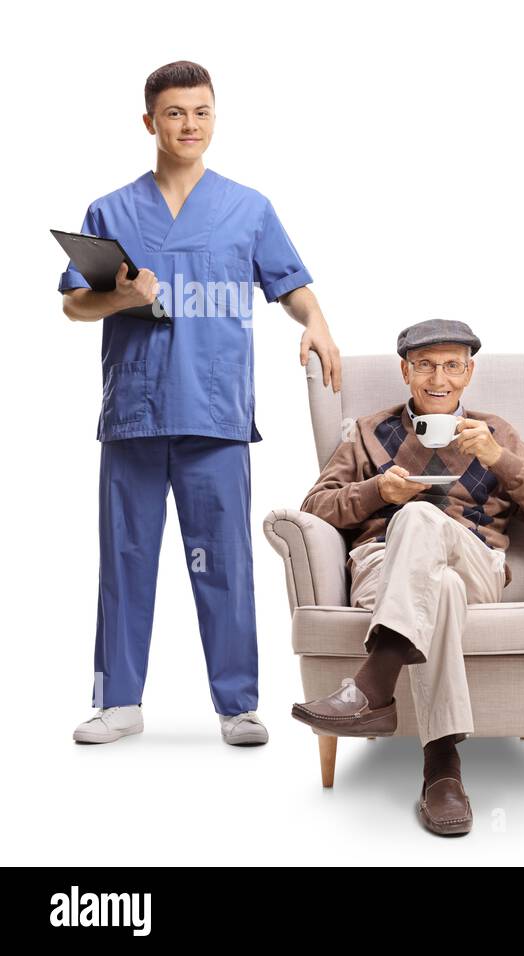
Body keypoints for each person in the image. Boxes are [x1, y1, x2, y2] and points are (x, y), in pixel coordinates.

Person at [59, 61, 342, 747]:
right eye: (177, 113)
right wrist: (122, 297)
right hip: (135, 410)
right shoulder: (111, 210)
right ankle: (118, 701)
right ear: (149, 120)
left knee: (223, 557)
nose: (190, 125)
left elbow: (290, 284)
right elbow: (74, 304)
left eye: (202, 112)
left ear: (215, 117)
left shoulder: (247, 208)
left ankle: (238, 704)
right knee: (125, 556)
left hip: (214, 411)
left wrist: (317, 321)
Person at [290, 319, 524, 836]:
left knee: (426, 520)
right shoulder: (365, 432)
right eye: (424, 365)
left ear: (469, 373)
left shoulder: (499, 434)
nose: (437, 378)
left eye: (451, 365)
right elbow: (314, 507)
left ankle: (372, 688)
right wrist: (376, 493)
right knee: (434, 580)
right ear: (405, 371)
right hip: (384, 565)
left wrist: (500, 459)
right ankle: (442, 770)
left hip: (476, 563)